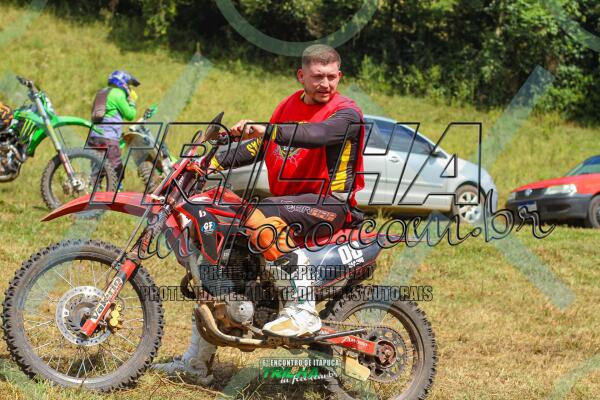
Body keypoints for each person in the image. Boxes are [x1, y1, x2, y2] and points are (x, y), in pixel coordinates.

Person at [154, 44, 365, 384]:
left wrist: (266, 129)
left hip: (330, 204)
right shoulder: (288, 106)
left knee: (259, 211)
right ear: (301, 76)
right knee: (223, 258)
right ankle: (196, 363)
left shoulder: (347, 112)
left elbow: (318, 135)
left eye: (331, 77)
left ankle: (302, 309)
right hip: (291, 202)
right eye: (317, 77)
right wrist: (208, 162)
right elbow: (260, 146)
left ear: (340, 76)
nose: (325, 84)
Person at [89, 70, 139, 178]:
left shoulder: (101, 92)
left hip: (94, 137)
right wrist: (132, 102)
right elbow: (130, 115)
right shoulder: (118, 94)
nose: (129, 88)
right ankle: (117, 189)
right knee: (117, 170)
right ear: (123, 83)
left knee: (96, 171)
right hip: (109, 138)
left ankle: (93, 188)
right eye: (129, 85)